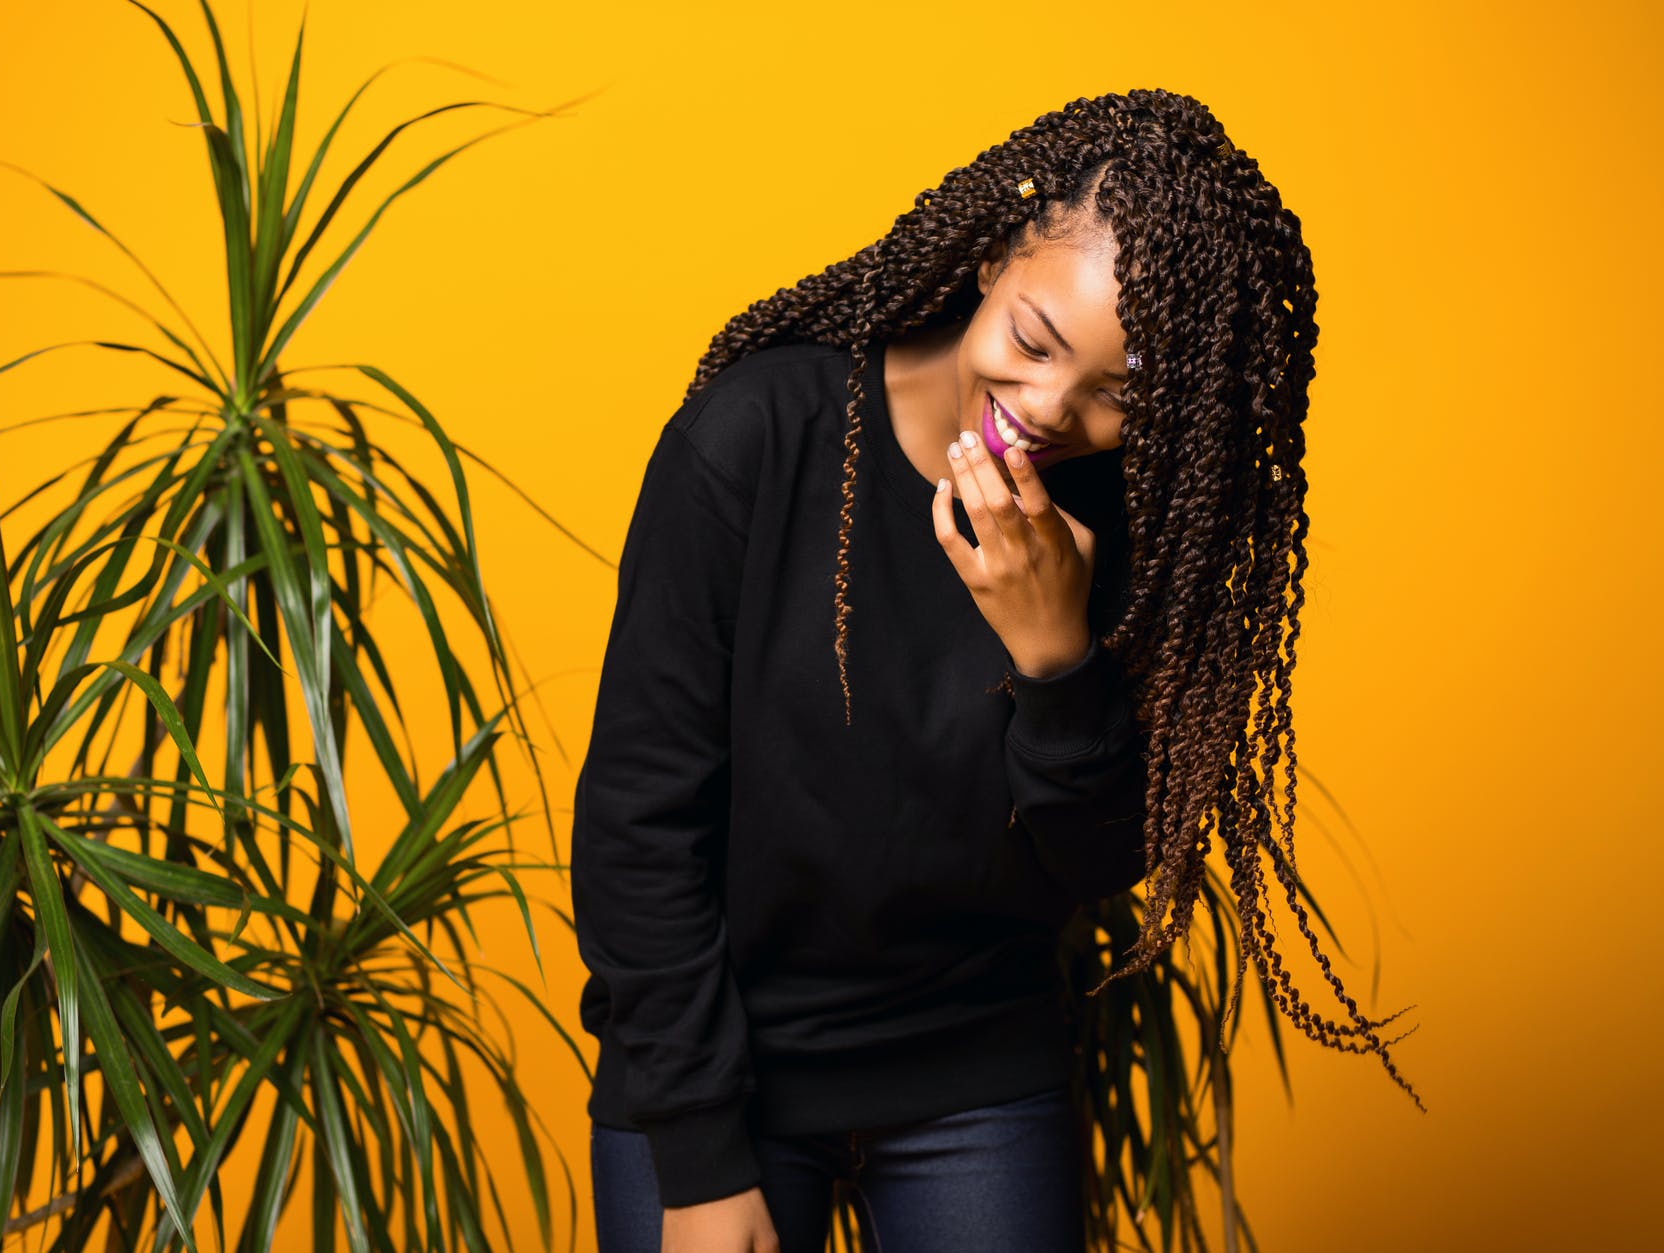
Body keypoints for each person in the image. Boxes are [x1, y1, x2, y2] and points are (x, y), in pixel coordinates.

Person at [570, 87, 1419, 1253]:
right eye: (1032, 341)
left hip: (976, 1073)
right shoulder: (757, 438)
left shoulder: (1133, 528)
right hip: (722, 1071)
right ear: (989, 257)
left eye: (1119, 396)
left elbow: (1102, 858)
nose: (1047, 411)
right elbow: (635, 820)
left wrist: (1052, 650)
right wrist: (701, 1158)